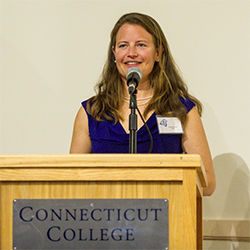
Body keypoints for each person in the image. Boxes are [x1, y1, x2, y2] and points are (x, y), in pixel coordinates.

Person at [70, 12, 216, 196]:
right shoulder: (91, 112)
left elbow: (207, 183)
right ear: (114, 53)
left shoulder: (180, 110)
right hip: (105, 219)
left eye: (141, 45)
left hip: (165, 218)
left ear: (158, 53)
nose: (132, 53)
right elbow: (72, 181)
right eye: (123, 45)